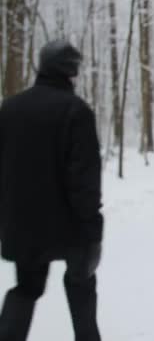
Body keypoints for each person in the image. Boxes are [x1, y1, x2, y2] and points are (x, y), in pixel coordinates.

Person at [0, 40, 103, 341]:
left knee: (27, 288)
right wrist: (93, 228)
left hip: (22, 225)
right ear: (70, 71)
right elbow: (85, 179)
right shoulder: (76, 111)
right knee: (81, 283)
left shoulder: (9, 109)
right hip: (71, 226)